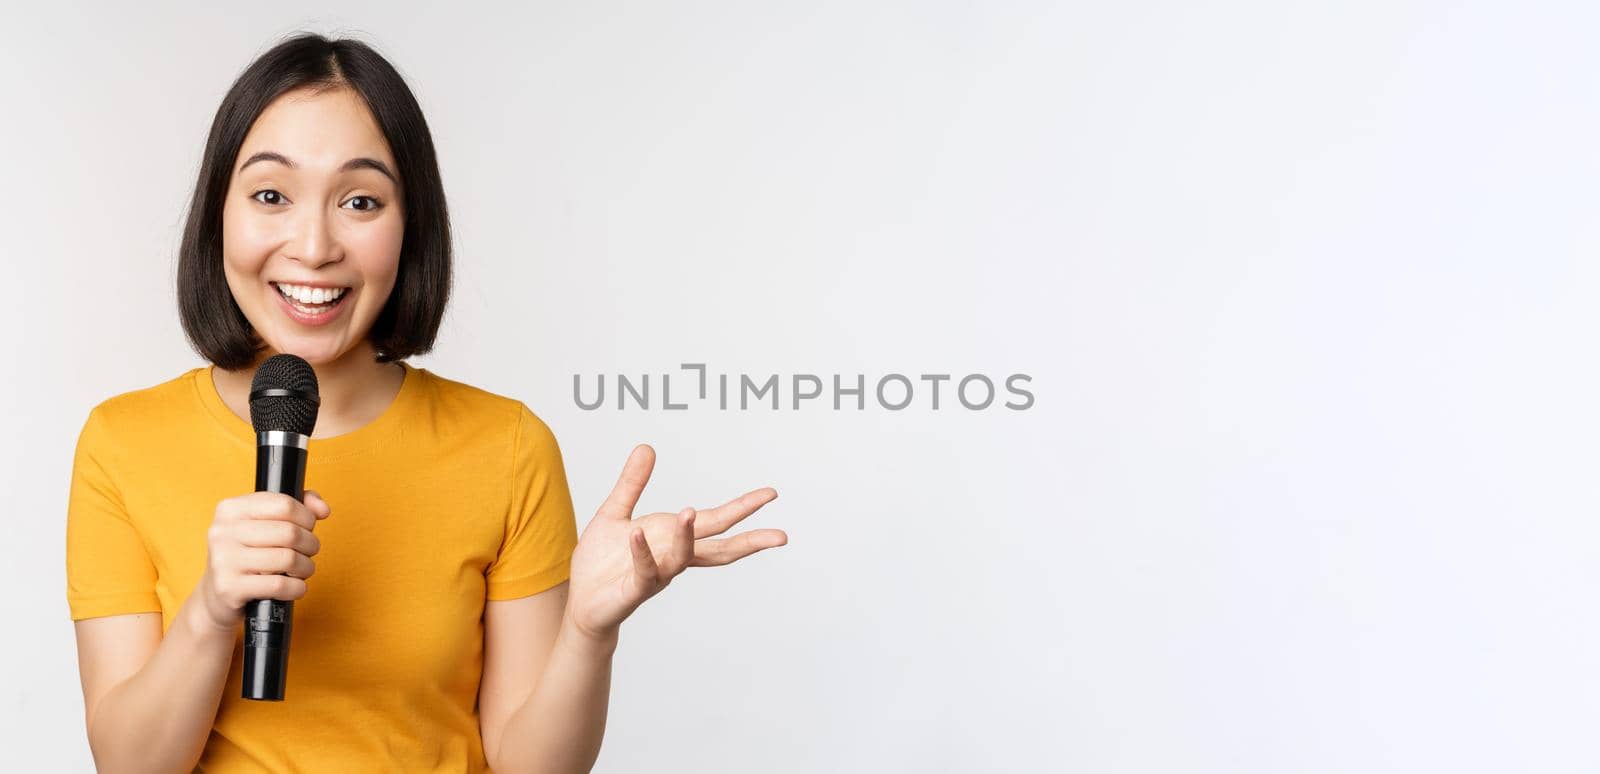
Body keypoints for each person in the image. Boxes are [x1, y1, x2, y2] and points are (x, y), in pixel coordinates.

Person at [64, 33, 788, 773]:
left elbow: (532, 766)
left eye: (360, 201)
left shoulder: (506, 447)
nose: (313, 246)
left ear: (411, 227)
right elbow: (130, 765)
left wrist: (587, 633)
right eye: (271, 195)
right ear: (219, 210)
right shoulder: (123, 443)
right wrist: (212, 611)